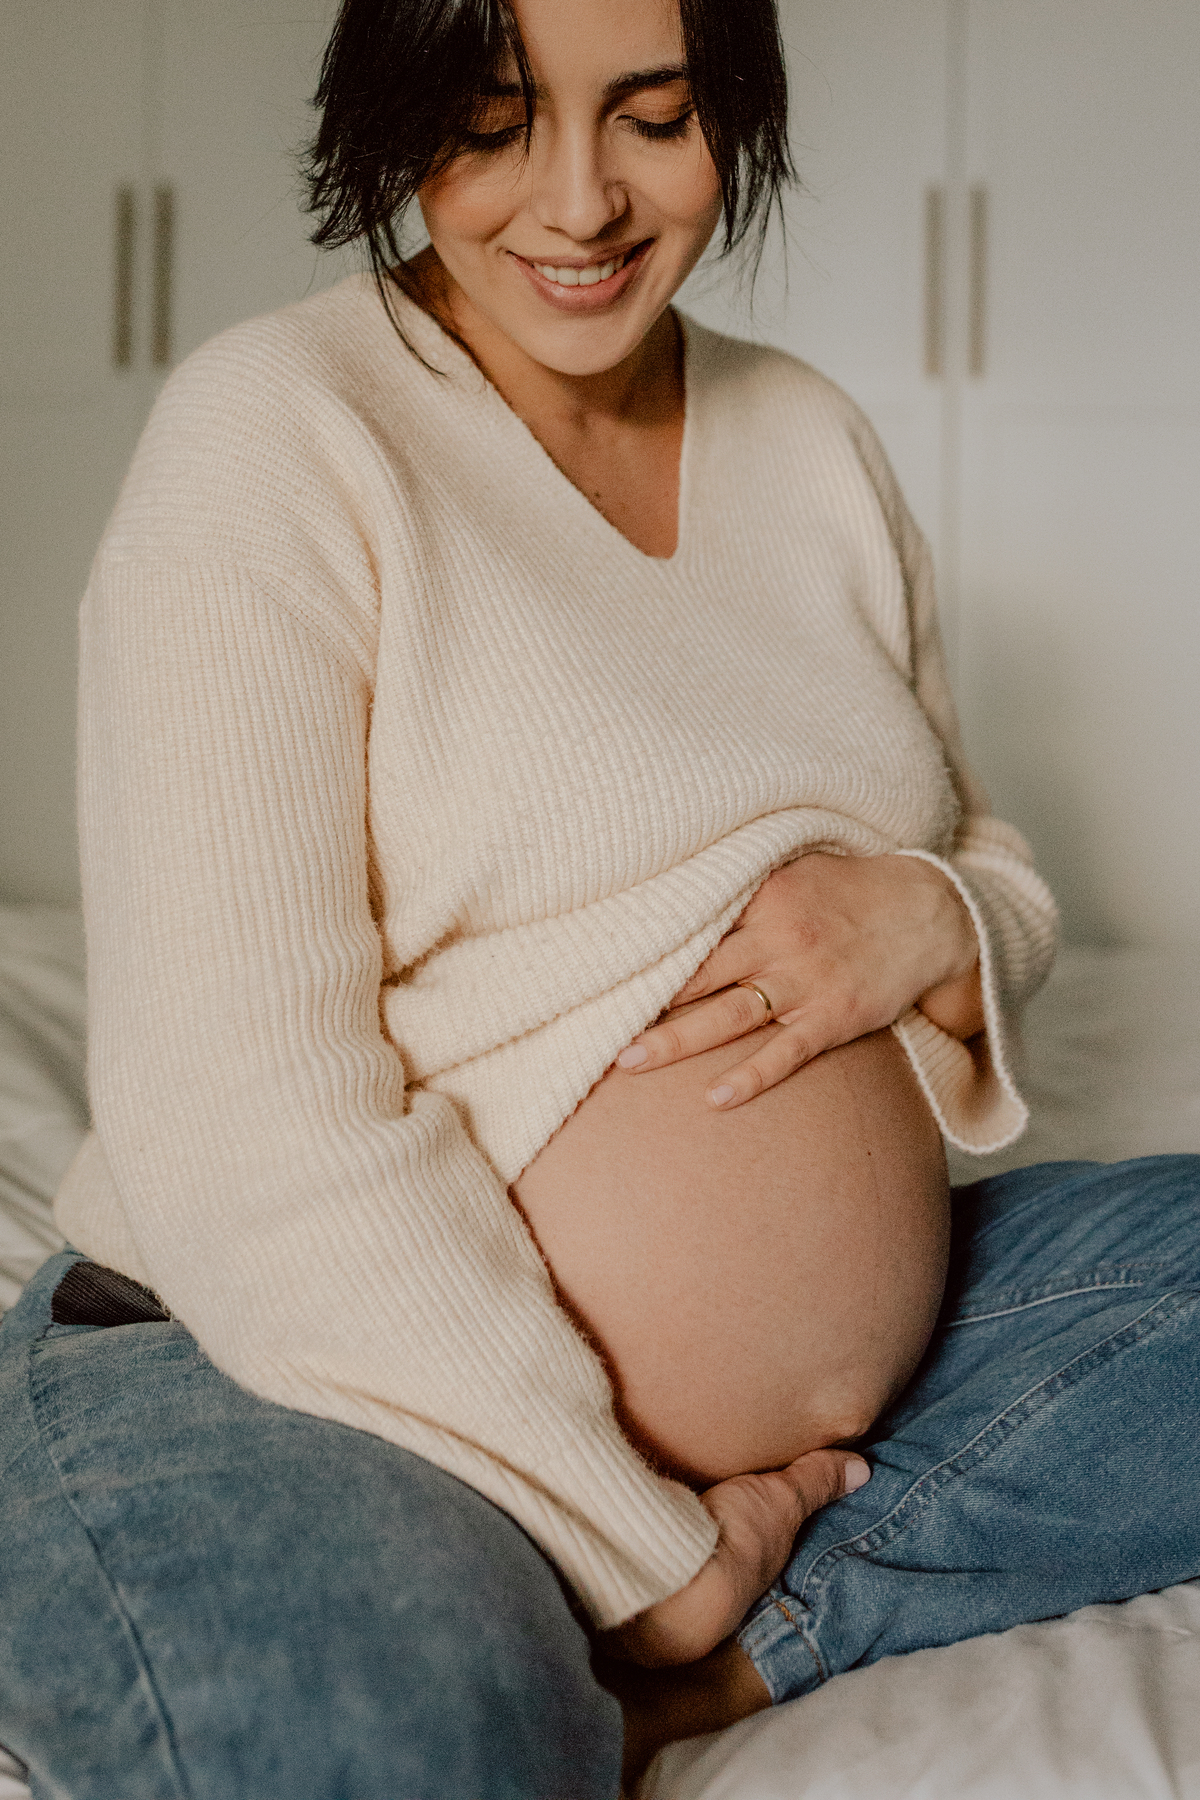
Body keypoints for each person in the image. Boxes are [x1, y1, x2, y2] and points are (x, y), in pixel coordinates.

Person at [1, 0, 1197, 1792]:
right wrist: (646, 1550)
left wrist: (940, 920)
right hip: (290, 1371)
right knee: (406, 1739)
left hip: (865, 1386)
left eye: (654, 119)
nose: (581, 204)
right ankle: (620, 1628)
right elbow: (241, 1126)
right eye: (495, 124)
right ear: (395, 125)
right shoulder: (278, 436)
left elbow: (991, 855)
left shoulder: (810, 445)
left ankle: (718, 1655)